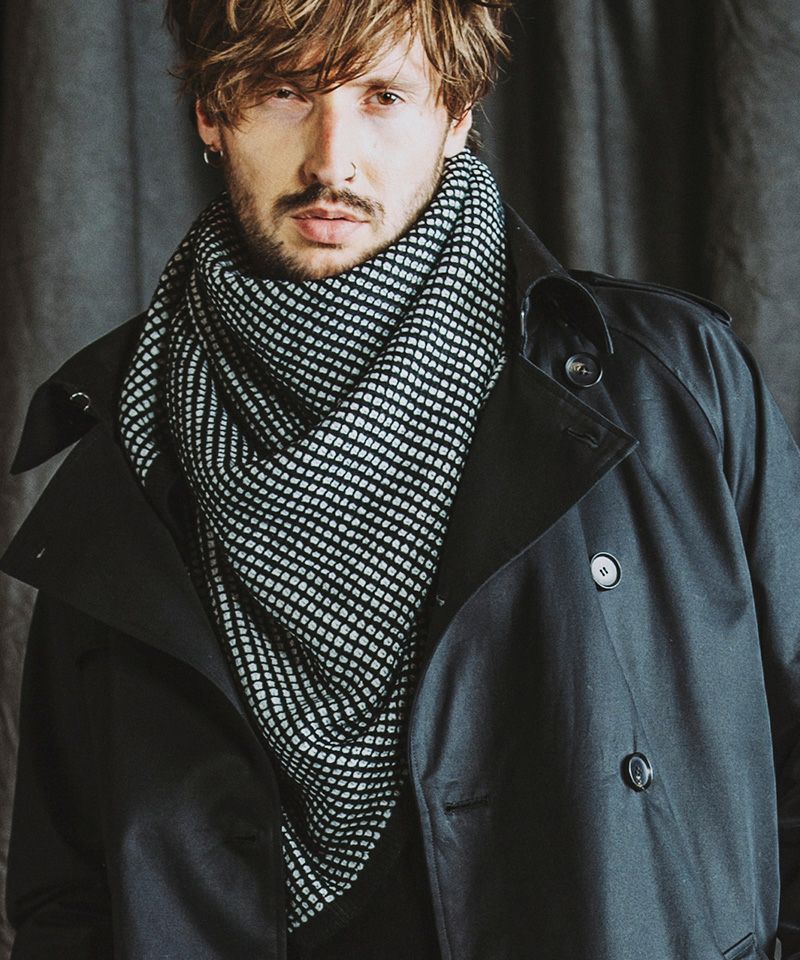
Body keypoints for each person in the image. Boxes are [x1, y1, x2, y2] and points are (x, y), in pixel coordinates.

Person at [2, 0, 799, 957]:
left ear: (456, 114)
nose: (332, 161)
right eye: (284, 91)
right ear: (212, 113)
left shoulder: (672, 381)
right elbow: (69, 891)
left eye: (384, 96)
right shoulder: (133, 441)